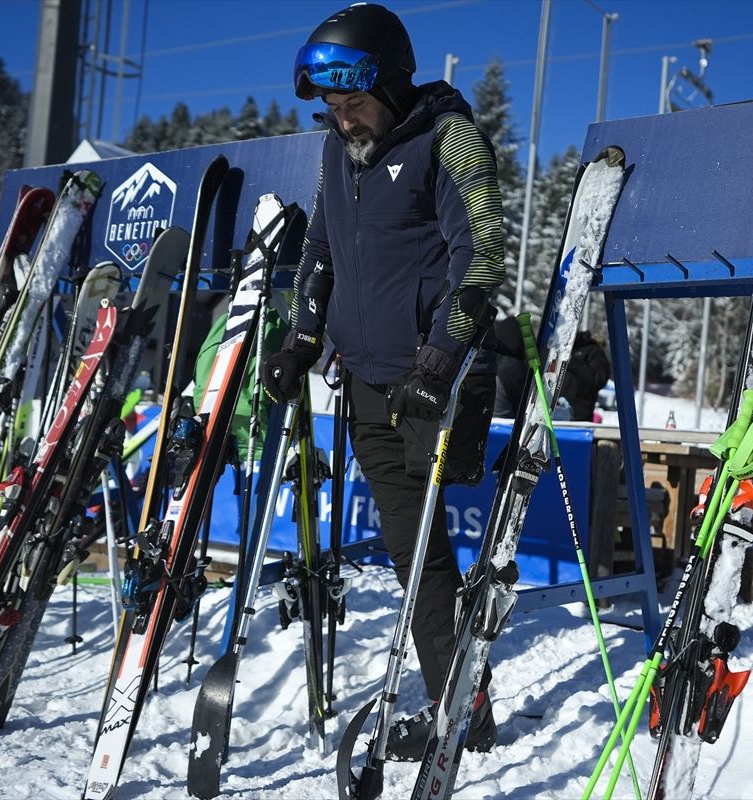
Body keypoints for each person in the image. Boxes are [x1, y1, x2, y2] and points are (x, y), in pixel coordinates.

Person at [262, 3, 504, 761]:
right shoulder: (338, 151)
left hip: (432, 383)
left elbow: (483, 253)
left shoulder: (448, 137)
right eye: (333, 106)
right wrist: (302, 337)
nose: (344, 119)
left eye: (355, 102)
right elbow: (321, 251)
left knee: (428, 548)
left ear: (393, 84)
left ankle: (460, 703)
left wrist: (440, 359)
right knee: (413, 552)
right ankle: (461, 705)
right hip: (366, 385)